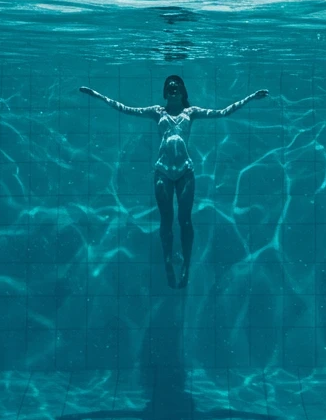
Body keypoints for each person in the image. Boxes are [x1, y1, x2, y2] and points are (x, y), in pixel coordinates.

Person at [79, 75, 268, 288]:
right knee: (166, 220)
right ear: (165, 93)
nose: (173, 88)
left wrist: (251, 97)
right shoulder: (156, 112)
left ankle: (186, 265)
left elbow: (222, 112)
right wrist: (96, 95)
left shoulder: (191, 112)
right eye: (169, 87)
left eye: (176, 86)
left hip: (185, 170)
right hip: (162, 171)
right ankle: (168, 261)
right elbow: (124, 108)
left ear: (183, 92)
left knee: (185, 220)